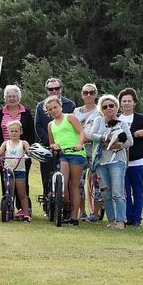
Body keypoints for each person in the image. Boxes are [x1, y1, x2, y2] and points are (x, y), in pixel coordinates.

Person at [90, 94, 133, 229]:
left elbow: (130, 141)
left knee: (118, 192)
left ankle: (121, 221)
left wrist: (118, 145)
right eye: (105, 106)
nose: (108, 108)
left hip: (117, 162)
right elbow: (92, 135)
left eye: (111, 105)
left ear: (116, 107)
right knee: (105, 193)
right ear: (101, 109)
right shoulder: (98, 121)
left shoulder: (122, 123)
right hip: (101, 162)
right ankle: (111, 220)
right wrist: (104, 137)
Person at [0, 85, 35, 213]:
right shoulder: (0, 113)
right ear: (5, 98)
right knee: (7, 182)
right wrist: (0, 150)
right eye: (9, 96)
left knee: (22, 181)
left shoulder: (26, 113)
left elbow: (31, 134)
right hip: (6, 153)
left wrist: (27, 150)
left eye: (14, 96)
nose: (11, 99)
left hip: (22, 153)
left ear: (18, 97)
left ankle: (23, 208)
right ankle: (8, 205)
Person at [35, 77, 76, 213]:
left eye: (56, 88)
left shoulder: (70, 105)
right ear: (47, 91)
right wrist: (52, 142)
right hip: (48, 147)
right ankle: (48, 208)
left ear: (61, 89)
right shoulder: (40, 106)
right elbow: (38, 126)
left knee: (67, 180)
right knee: (47, 177)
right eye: (50, 89)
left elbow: (73, 126)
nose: (54, 91)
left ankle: (67, 208)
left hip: (67, 148)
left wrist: (61, 143)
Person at [46, 96, 86, 225]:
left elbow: (81, 132)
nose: (53, 110)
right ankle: (66, 208)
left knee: (74, 184)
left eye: (55, 107)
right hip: (63, 154)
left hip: (76, 153)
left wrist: (79, 144)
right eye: (50, 109)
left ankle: (74, 217)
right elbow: (51, 143)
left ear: (60, 106)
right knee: (63, 182)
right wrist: (54, 146)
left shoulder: (70, 117)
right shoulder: (50, 125)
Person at [0, 121, 32, 222]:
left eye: (16, 131)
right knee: (8, 192)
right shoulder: (6, 143)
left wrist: (28, 154)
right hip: (8, 170)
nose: (14, 133)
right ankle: (8, 210)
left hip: (19, 171)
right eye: (11, 131)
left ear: (20, 132)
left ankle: (26, 214)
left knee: (21, 193)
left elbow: (29, 151)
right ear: (8, 132)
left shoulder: (23, 143)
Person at [117, 88, 143, 228]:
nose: (127, 103)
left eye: (129, 101)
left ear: (134, 103)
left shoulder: (141, 119)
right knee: (124, 192)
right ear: (120, 103)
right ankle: (127, 218)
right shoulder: (116, 119)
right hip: (120, 161)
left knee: (138, 192)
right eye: (124, 101)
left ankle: (137, 220)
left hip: (138, 161)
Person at [73, 83, 100, 221]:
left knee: (97, 182)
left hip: (95, 150)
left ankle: (94, 214)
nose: (88, 95)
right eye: (85, 92)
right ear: (82, 94)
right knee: (78, 182)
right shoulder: (76, 111)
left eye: (91, 92)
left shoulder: (101, 110)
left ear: (96, 94)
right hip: (80, 151)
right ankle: (82, 212)